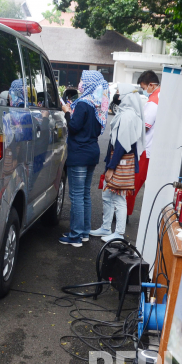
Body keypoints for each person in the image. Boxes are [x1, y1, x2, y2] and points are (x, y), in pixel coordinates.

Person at [59, 70, 109, 247]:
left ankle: (75, 236)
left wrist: (66, 111)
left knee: (77, 196)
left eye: (82, 80)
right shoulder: (98, 106)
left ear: (88, 84)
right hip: (91, 153)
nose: (79, 83)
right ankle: (84, 232)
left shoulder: (83, 104)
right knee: (85, 194)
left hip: (79, 154)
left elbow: (73, 127)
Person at [90, 85, 145, 242]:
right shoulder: (129, 114)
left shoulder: (127, 116)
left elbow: (121, 145)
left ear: (128, 96)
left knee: (119, 198)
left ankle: (119, 233)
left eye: (120, 94)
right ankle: (106, 227)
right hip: (120, 160)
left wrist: (111, 167)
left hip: (121, 162)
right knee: (107, 194)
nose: (117, 96)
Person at [127, 70, 161, 216]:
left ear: (151, 85)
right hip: (155, 148)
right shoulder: (162, 96)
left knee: (133, 182)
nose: (144, 91)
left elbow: (143, 127)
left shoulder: (153, 102)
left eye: (144, 87)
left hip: (146, 150)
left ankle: (125, 213)